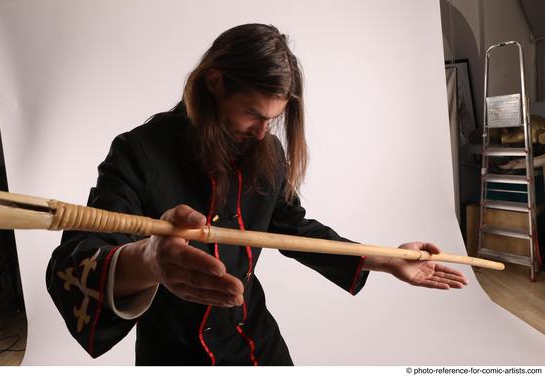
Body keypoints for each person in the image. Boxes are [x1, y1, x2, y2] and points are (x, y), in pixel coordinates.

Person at [46, 23, 468, 366]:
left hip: (257, 343)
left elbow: (292, 228)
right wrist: (150, 261)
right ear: (215, 83)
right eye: (252, 114)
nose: (263, 132)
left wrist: (386, 258)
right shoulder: (139, 150)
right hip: (174, 354)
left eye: (272, 119)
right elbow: (78, 257)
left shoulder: (266, 149)